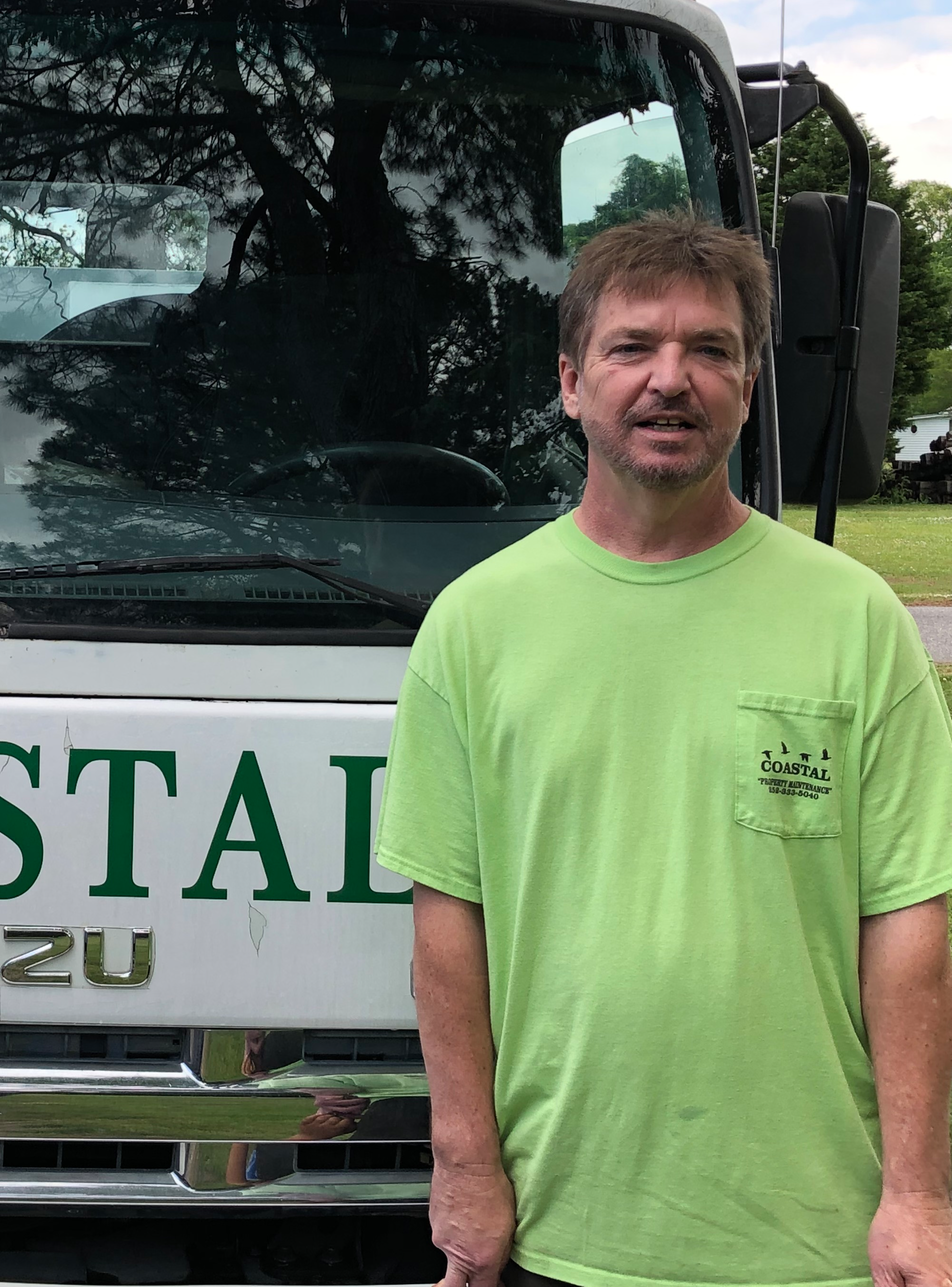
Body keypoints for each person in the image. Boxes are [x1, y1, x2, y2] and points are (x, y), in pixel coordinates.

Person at [375, 212, 952, 1287]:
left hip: (817, 1239)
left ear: (749, 384)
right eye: (632, 346)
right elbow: (450, 922)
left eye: (711, 350)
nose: (670, 379)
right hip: (562, 1228)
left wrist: (920, 1196)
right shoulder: (475, 625)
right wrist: (465, 1166)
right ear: (571, 381)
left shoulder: (858, 621)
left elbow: (910, 920)